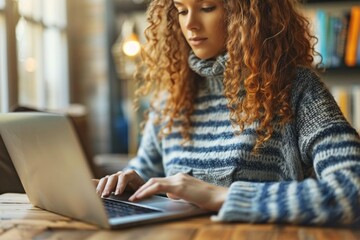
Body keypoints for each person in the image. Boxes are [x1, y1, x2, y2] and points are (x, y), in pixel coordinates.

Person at [95, 0, 360, 225]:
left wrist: (220, 196)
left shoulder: (296, 89)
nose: (190, 24)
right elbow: (143, 173)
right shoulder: (172, 99)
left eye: (207, 7)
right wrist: (127, 184)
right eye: (182, 10)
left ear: (244, 12)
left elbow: (352, 187)